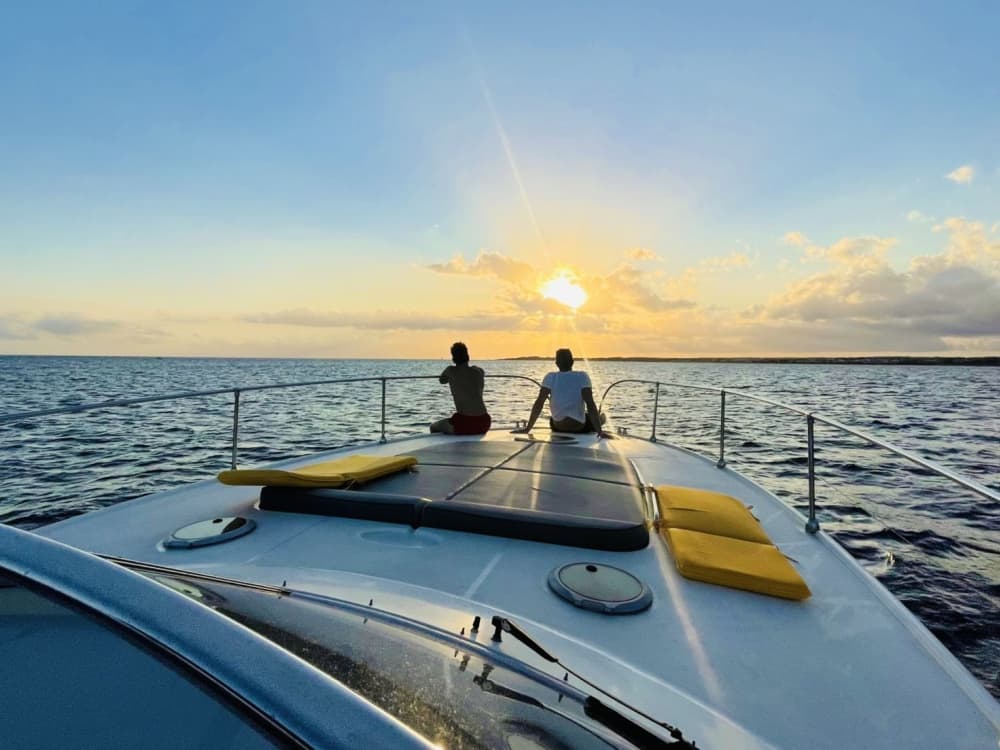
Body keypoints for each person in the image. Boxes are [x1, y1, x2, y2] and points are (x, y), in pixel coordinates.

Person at [514, 348, 608, 436]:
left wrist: (528, 429)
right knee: (602, 417)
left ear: (556, 363)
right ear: (572, 362)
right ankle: (600, 421)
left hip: (557, 427)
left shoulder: (550, 377)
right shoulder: (582, 376)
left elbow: (539, 403)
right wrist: (600, 432)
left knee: (554, 418)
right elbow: (590, 404)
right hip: (578, 427)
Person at [430, 342, 492, 435]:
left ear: (453, 358)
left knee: (433, 427)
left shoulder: (450, 370)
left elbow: (442, 380)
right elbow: (482, 373)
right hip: (484, 422)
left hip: (465, 424)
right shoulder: (478, 371)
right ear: (467, 356)